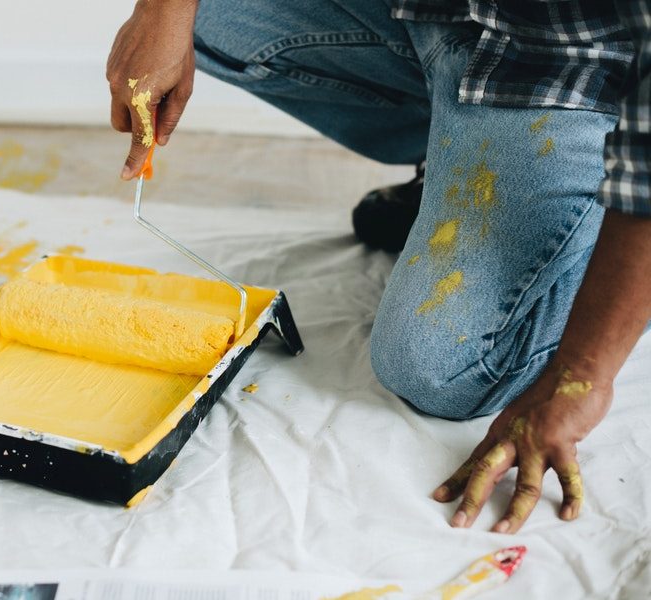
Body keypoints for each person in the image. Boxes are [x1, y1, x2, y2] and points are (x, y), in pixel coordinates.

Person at [106, 0, 651, 534]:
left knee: (438, 367)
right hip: (443, 17)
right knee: (209, 13)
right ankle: (452, 161)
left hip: (574, 65)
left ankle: (598, 221)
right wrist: (162, 10)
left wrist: (581, 377)